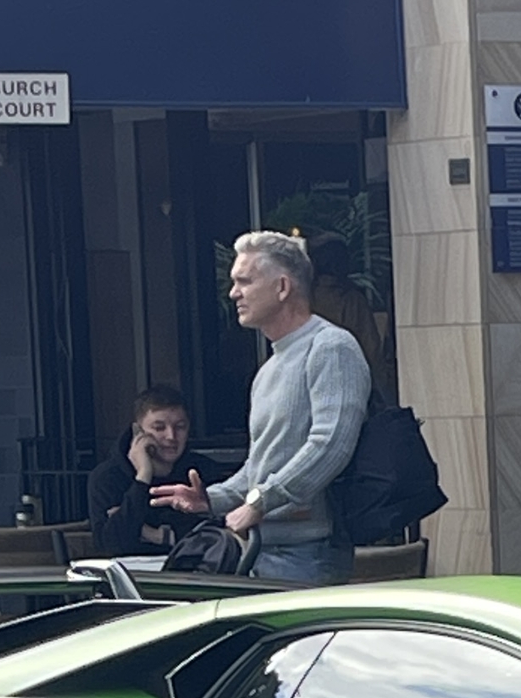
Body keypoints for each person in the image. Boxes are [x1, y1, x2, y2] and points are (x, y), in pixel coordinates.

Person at [153, 229, 366, 586]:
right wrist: (213, 499)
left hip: (308, 553)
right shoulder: (269, 367)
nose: (233, 293)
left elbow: (331, 444)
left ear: (282, 287)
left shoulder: (331, 347)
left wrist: (259, 503)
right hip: (262, 550)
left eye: (244, 281)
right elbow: (262, 463)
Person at [86, 385, 203, 558]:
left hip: (195, 575)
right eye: (159, 428)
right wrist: (143, 477)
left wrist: (154, 535)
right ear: (138, 431)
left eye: (180, 427)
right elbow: (111, 544)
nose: (171, 436)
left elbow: (214, 537)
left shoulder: (201, 471)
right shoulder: (106, 478)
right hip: (132, 577)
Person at [303, 231, 396, 405]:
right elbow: (372, 352)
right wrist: (389, 399)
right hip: (349, 389)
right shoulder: (352, 301)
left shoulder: (301, 299)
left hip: (308, 389)